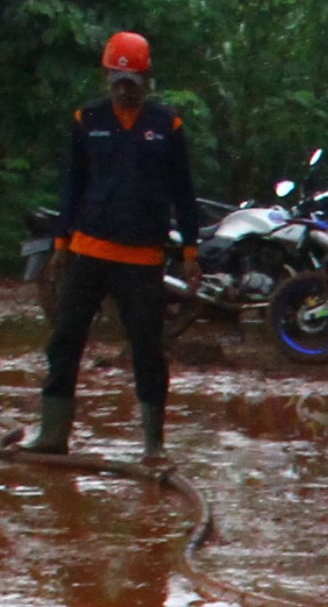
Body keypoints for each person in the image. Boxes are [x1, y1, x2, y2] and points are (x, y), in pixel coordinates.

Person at [18, 32, 196, 463]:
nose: (123, 87)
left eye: (132, 80)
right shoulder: (87, 121)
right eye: (117, 79)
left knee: (148, 350)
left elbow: (184, 194)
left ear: (146, 79)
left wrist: (191, 252)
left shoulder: (166, 127)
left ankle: (153, 443)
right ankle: (53, 431)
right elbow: (72, 187)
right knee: (65, 341)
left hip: (142, 259)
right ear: (107, 77)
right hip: (89, 252)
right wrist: (61, 243)